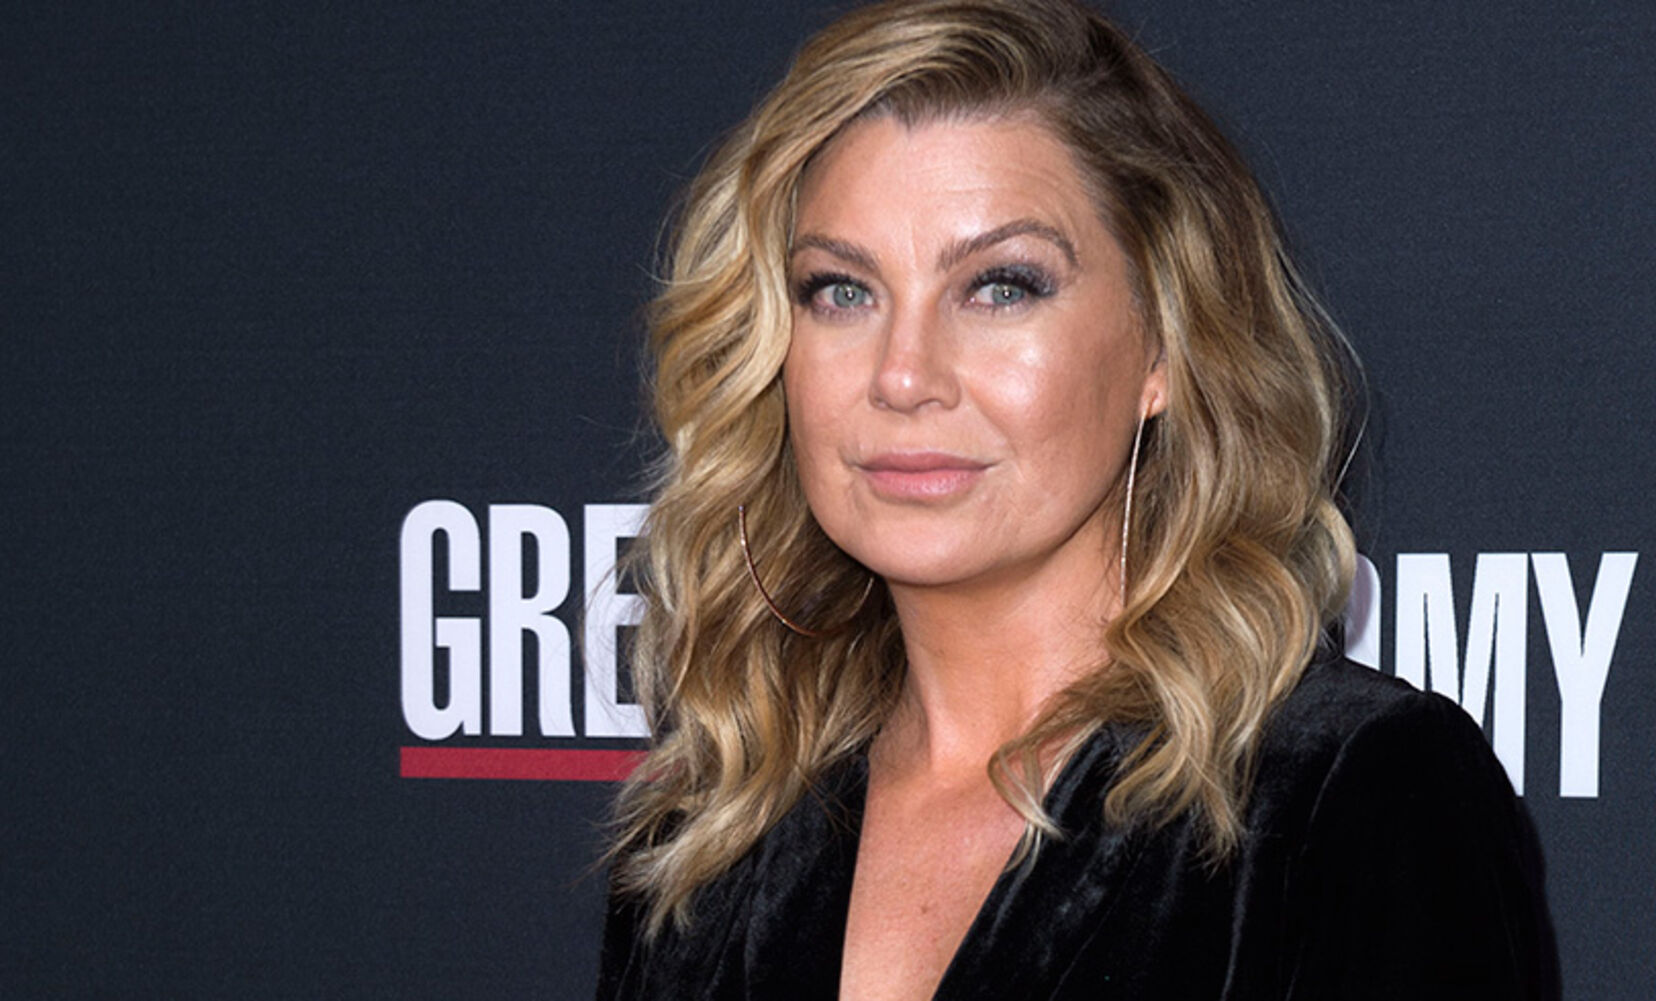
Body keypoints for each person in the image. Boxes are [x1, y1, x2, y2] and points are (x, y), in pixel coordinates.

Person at [598, 1, 1554, 998]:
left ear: (1164, 344)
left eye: (1001, 286)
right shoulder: (708, 836)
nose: (903, 375)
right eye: (842, 289)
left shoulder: (1350, 797)